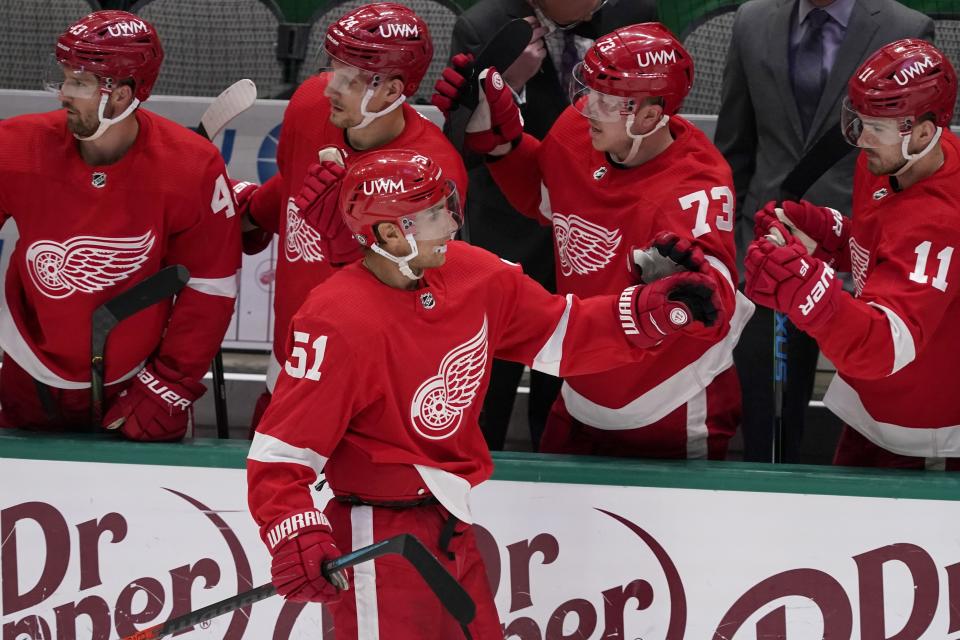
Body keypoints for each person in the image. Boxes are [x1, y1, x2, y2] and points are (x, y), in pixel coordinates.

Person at [246, 149, 727, 638]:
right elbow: (281, 454)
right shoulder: (335, 318)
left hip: (451, 528)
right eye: (433, 214)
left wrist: (650, 312)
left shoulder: (472, 275)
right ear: (391, 233)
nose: (451, 223)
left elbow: (563, 333)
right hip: (377, 540)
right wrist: (295, 533)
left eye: (446, 206)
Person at [433, 24, 754, 459]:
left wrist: (698, 285)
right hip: (583, 386)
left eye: (608, 102)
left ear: (649, 115)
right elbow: (545, 199)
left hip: (670, 400)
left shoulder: (695, 183)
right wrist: (501, 143)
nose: (589, 109)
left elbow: (714, 296)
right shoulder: (575, 131)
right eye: (590, 91)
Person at [0, 10, 241, 440]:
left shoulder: (192, 165)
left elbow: (211, 284)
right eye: (65, 77)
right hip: (26, 371)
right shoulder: (15, 146)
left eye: (80, 83)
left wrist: (172, 383)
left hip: (136, 383)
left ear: (123, 93)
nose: (63, 94)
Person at [715, 0, 934, 462]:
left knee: (866, 429)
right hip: (766, 251)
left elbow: (918, 161)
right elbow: (735, 146)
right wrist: (732, 252)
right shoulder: (752, 20)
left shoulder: (906, 27)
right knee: (767, 426)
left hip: (865, 261)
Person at [436, 0, 657, 451]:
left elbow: (658, 121)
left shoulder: (634, 15)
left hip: (597, 236)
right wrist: (509, 86)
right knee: (488, 386)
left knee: (572, 382)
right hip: (508, 232)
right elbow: (458, 145)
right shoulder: (484, 25)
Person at [237, 3, 467, 431]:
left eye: (349, 78)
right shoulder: (308, 105)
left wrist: (346, 244)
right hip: (288, 367)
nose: (329, 87)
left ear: (393, 91)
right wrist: (246, 211)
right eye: (333, 68)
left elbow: (433, 294)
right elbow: (291, 189)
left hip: (372, 393)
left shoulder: (433, 170)